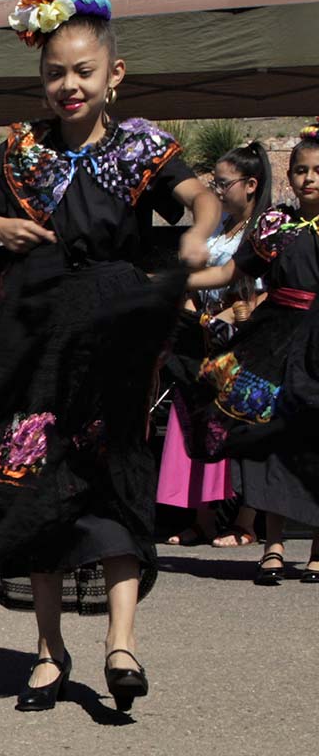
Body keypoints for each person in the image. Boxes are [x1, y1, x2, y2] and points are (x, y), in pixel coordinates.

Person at [0, 0, 219, 712]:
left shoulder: (142, 147)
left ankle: (123, 643)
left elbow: (202, 195)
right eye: (56, 73)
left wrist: (198, 228)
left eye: (83, 71)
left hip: (113, 332)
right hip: (36, 337)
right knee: (39, 491)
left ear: (115, 74)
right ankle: (49, 651)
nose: (68, 85)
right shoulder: (23, 152)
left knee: (115, 476)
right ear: (41, 78)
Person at [175, 121, 319, 587]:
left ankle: (318, 550)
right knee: (270, 440)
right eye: (299, 170)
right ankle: (273, 546)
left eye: (316, 170)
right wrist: (177, 283)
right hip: (273, 339)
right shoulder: (278, 225)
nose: (308, 178)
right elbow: (233, 271)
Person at [160, 142, 272, 548]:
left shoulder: (265, 229)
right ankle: (201, 516)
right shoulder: (219, 226)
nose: (217, 190)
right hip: (205, 337)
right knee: (194, 418)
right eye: (214, 182)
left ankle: (245, 520)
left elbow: (270, 284)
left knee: (242, 425)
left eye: (223, 183)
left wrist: (235, 313)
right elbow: (196, 274)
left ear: (251, 185)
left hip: (248, 338)